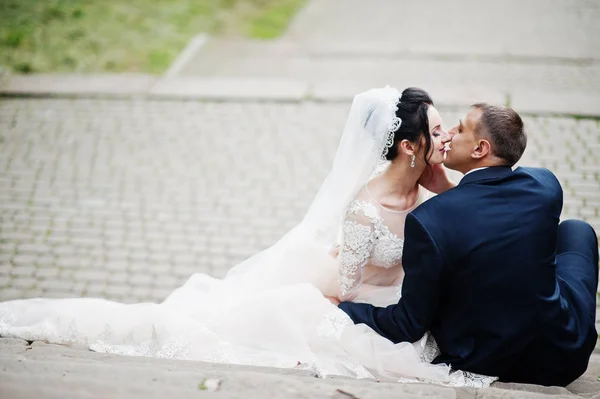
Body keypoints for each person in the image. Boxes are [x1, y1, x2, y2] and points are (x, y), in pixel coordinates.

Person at [0, 87, 491, 387]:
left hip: (394, 294)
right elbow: (345, 286)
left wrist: (443, 183)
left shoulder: (428, 185)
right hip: (350, 298)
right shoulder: (365, 210)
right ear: (409, 146)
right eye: (439, 129)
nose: (447, 137)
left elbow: (451, 218)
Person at [338, 103, 599, 386]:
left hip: (485, 359)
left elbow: (408, 324)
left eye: (460, 128)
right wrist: (452, 191)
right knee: (576, 229)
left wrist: (347, 310)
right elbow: (490, 216)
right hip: (561, 357)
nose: (449, 134)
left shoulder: (430, 220)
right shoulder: (545, 186)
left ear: (480, 149)